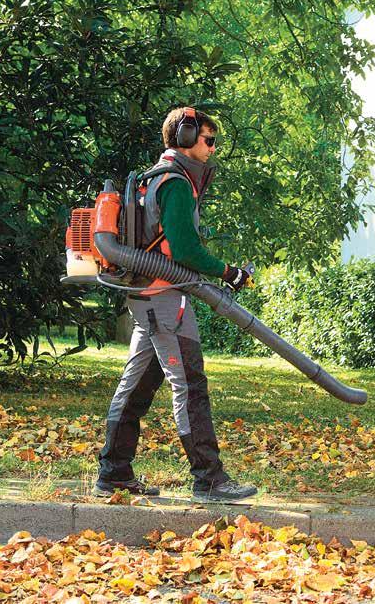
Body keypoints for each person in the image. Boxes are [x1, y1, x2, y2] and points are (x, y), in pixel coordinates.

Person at [93, 107, 257, 502]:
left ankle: (113, 473)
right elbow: (185, 250)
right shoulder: (176, 182)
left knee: (136, 387)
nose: (212, 146)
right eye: (208, 139)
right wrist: (228, 272)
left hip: (147, 296)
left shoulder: (156, 177)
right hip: (165, 299)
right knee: (190, 386)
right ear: (184, 139)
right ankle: (210, 480)